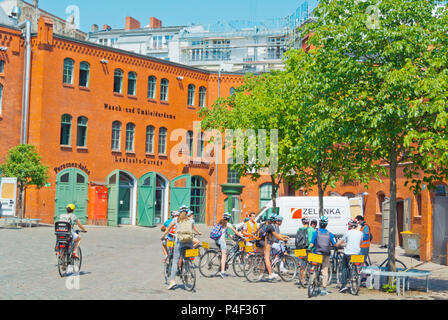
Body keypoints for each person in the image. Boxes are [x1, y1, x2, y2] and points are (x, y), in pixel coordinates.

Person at [161, 209, 195, 290]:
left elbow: (167, 229)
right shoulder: (191, 220)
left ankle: (172, 281)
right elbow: (193, 229)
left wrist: (163, 236)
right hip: (189, 242)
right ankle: (187, 277)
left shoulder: (176, 219)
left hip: (180, 242)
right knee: (187, 259)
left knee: (175, 261)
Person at [256, 214, 290, 281]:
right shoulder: (271, 226)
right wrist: (284, 239)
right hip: (265, 242)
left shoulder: (263, 223)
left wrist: (284, 236)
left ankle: (261, 274)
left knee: (261, 257)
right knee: (267, 257)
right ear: (274, 220)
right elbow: (277, 236)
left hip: (258, 241)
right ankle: (270, 274)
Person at [309, 216, 336, 296]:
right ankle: (324, 289)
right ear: (326, 224)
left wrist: (309, 248)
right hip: (325, 255)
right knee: (325, 270)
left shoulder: (315, 232)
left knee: (314, 269)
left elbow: (312, 244)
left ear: (319, 224)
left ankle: (311, 284)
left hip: (316, 253)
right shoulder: (330, 234)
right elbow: (334, 244)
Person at [214, 212, 244, 278]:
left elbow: (225, 232)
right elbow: (235, 231)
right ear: (228, 218)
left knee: (223, 254)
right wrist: (241, 235)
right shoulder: (227, 224)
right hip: (221, 241)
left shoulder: (221, 222)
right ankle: (222, 272)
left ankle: (220, 266)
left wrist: (232, 237)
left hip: (217, 240)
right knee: (224, 255)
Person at [336, 219, 363, 293]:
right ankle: (356, 275)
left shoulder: (347, 232)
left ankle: (344, 285)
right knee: (356, 266)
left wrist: (336, 245)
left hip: (348, 253)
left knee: (344, 268)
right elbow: (361, 242)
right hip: (357, 253)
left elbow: (341, 242)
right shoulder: (360, 233)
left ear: (350, 225)